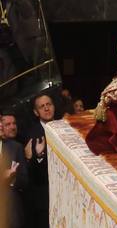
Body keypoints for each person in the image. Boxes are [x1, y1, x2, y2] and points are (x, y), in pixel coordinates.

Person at [22, 93, 53, 228]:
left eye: (49, 104)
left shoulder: (64, 126)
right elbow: (31, 173)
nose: (46, 108)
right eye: (42, 106)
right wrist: (39, 156)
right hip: (44, 197)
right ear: (36, 112)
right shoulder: (31, 135)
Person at [1, 109, 28, 228]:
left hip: (11, 215)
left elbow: (25, 181)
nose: (12, 127)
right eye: (7, 124)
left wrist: (11, 178)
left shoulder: (15, 147)